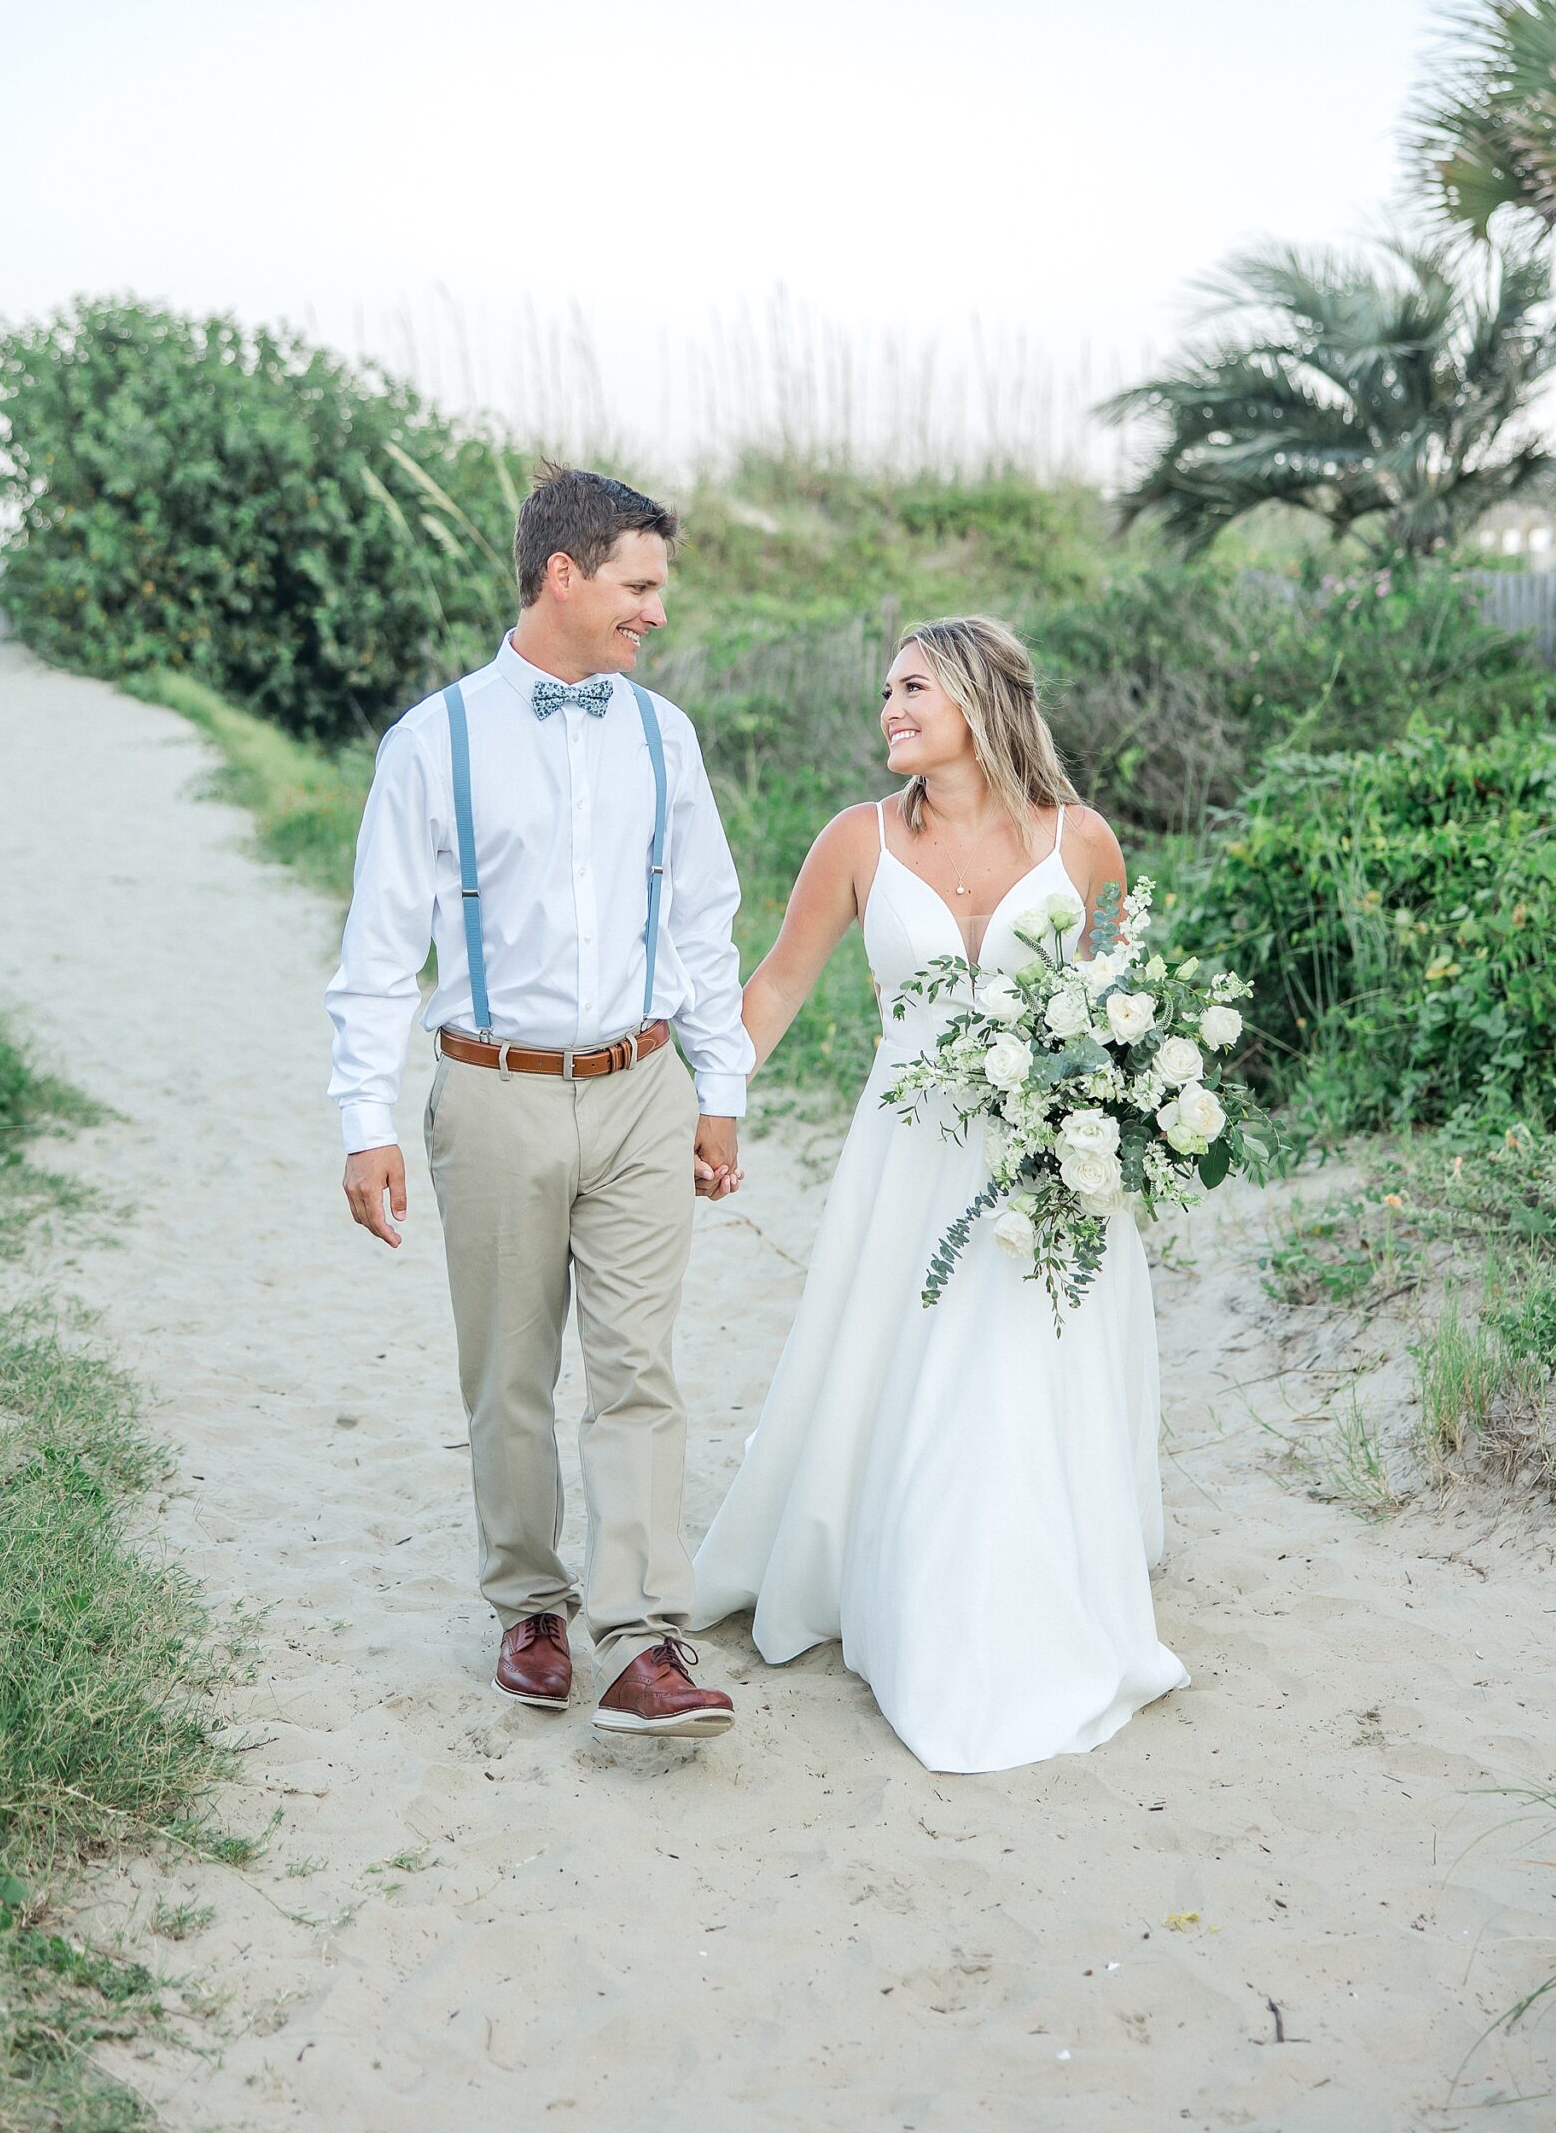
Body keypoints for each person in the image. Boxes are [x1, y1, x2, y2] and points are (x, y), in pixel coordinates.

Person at [692, 614, 1188, 1773]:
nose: (891, 709)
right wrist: (703, 1106)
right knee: (908, 1374)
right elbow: (771, 995)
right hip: (906, 1163)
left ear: (980, 695)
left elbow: (1125, 1009)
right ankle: (909, 1577)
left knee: (1011, 1381)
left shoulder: (1087, 845)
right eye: (885, 692)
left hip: (1044, 1167)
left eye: (913, 686)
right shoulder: (855, 841)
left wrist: (1120, 1115)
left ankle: (1014, 1594)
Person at [328, 464, 753, 1740]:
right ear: (562, 575)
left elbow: (703, 923)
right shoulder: (432, 742)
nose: (655, 613)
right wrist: (368, 1122)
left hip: (640, 1088)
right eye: (638, 585)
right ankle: (527, 1600)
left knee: (638, 1373)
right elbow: (375, 952)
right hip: (493, 1090)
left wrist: (717, 1086)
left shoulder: (663, 736)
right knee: (509, 1370)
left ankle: (640, 1635)